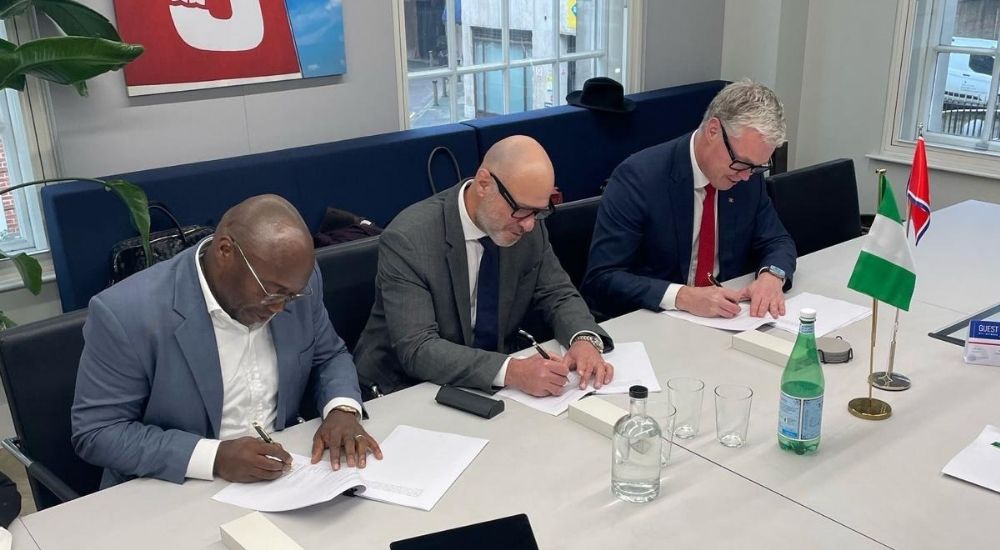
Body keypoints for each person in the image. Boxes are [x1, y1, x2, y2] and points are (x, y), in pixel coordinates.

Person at [72, 195, 382, 488]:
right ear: (224, 251)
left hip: (286, 474)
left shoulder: (293, 282)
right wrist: (215, 457)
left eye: (290, 296)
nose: (280, 307)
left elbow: (329, 355)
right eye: (271, 293)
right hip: (175, 486)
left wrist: (342, 409)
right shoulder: (127, 313)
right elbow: (97, 432)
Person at [354, 135, 614, 398]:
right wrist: (512, 371)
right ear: (483, 184)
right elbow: (418, 349)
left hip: (487, 383)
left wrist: (583, 338)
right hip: (403, 388)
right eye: (522, 210)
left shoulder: (528, 227)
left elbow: (557, 293)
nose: (529, 225)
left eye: (539, 212)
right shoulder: (409, 239)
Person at [582, 79, 796, 320]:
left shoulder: (747, 176)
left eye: (757, 167)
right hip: (652, 321)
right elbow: (602, 278)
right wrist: (682, 296)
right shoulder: (639, 179)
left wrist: (772, 275)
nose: (747, 176)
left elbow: (777, 240)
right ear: (713, 130)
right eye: (742, 163)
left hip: (726, 318)